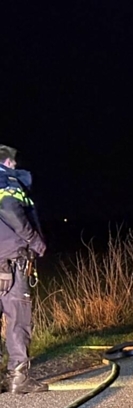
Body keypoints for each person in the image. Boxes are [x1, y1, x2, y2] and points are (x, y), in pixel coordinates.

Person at [0, 145, 47, 394]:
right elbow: (9, 209)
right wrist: (35, 242)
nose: (16, 167)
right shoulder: (7, 181)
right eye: (14, 163)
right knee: (18, 319)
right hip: (11, 261)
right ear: (8, 162)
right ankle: (18, 377)